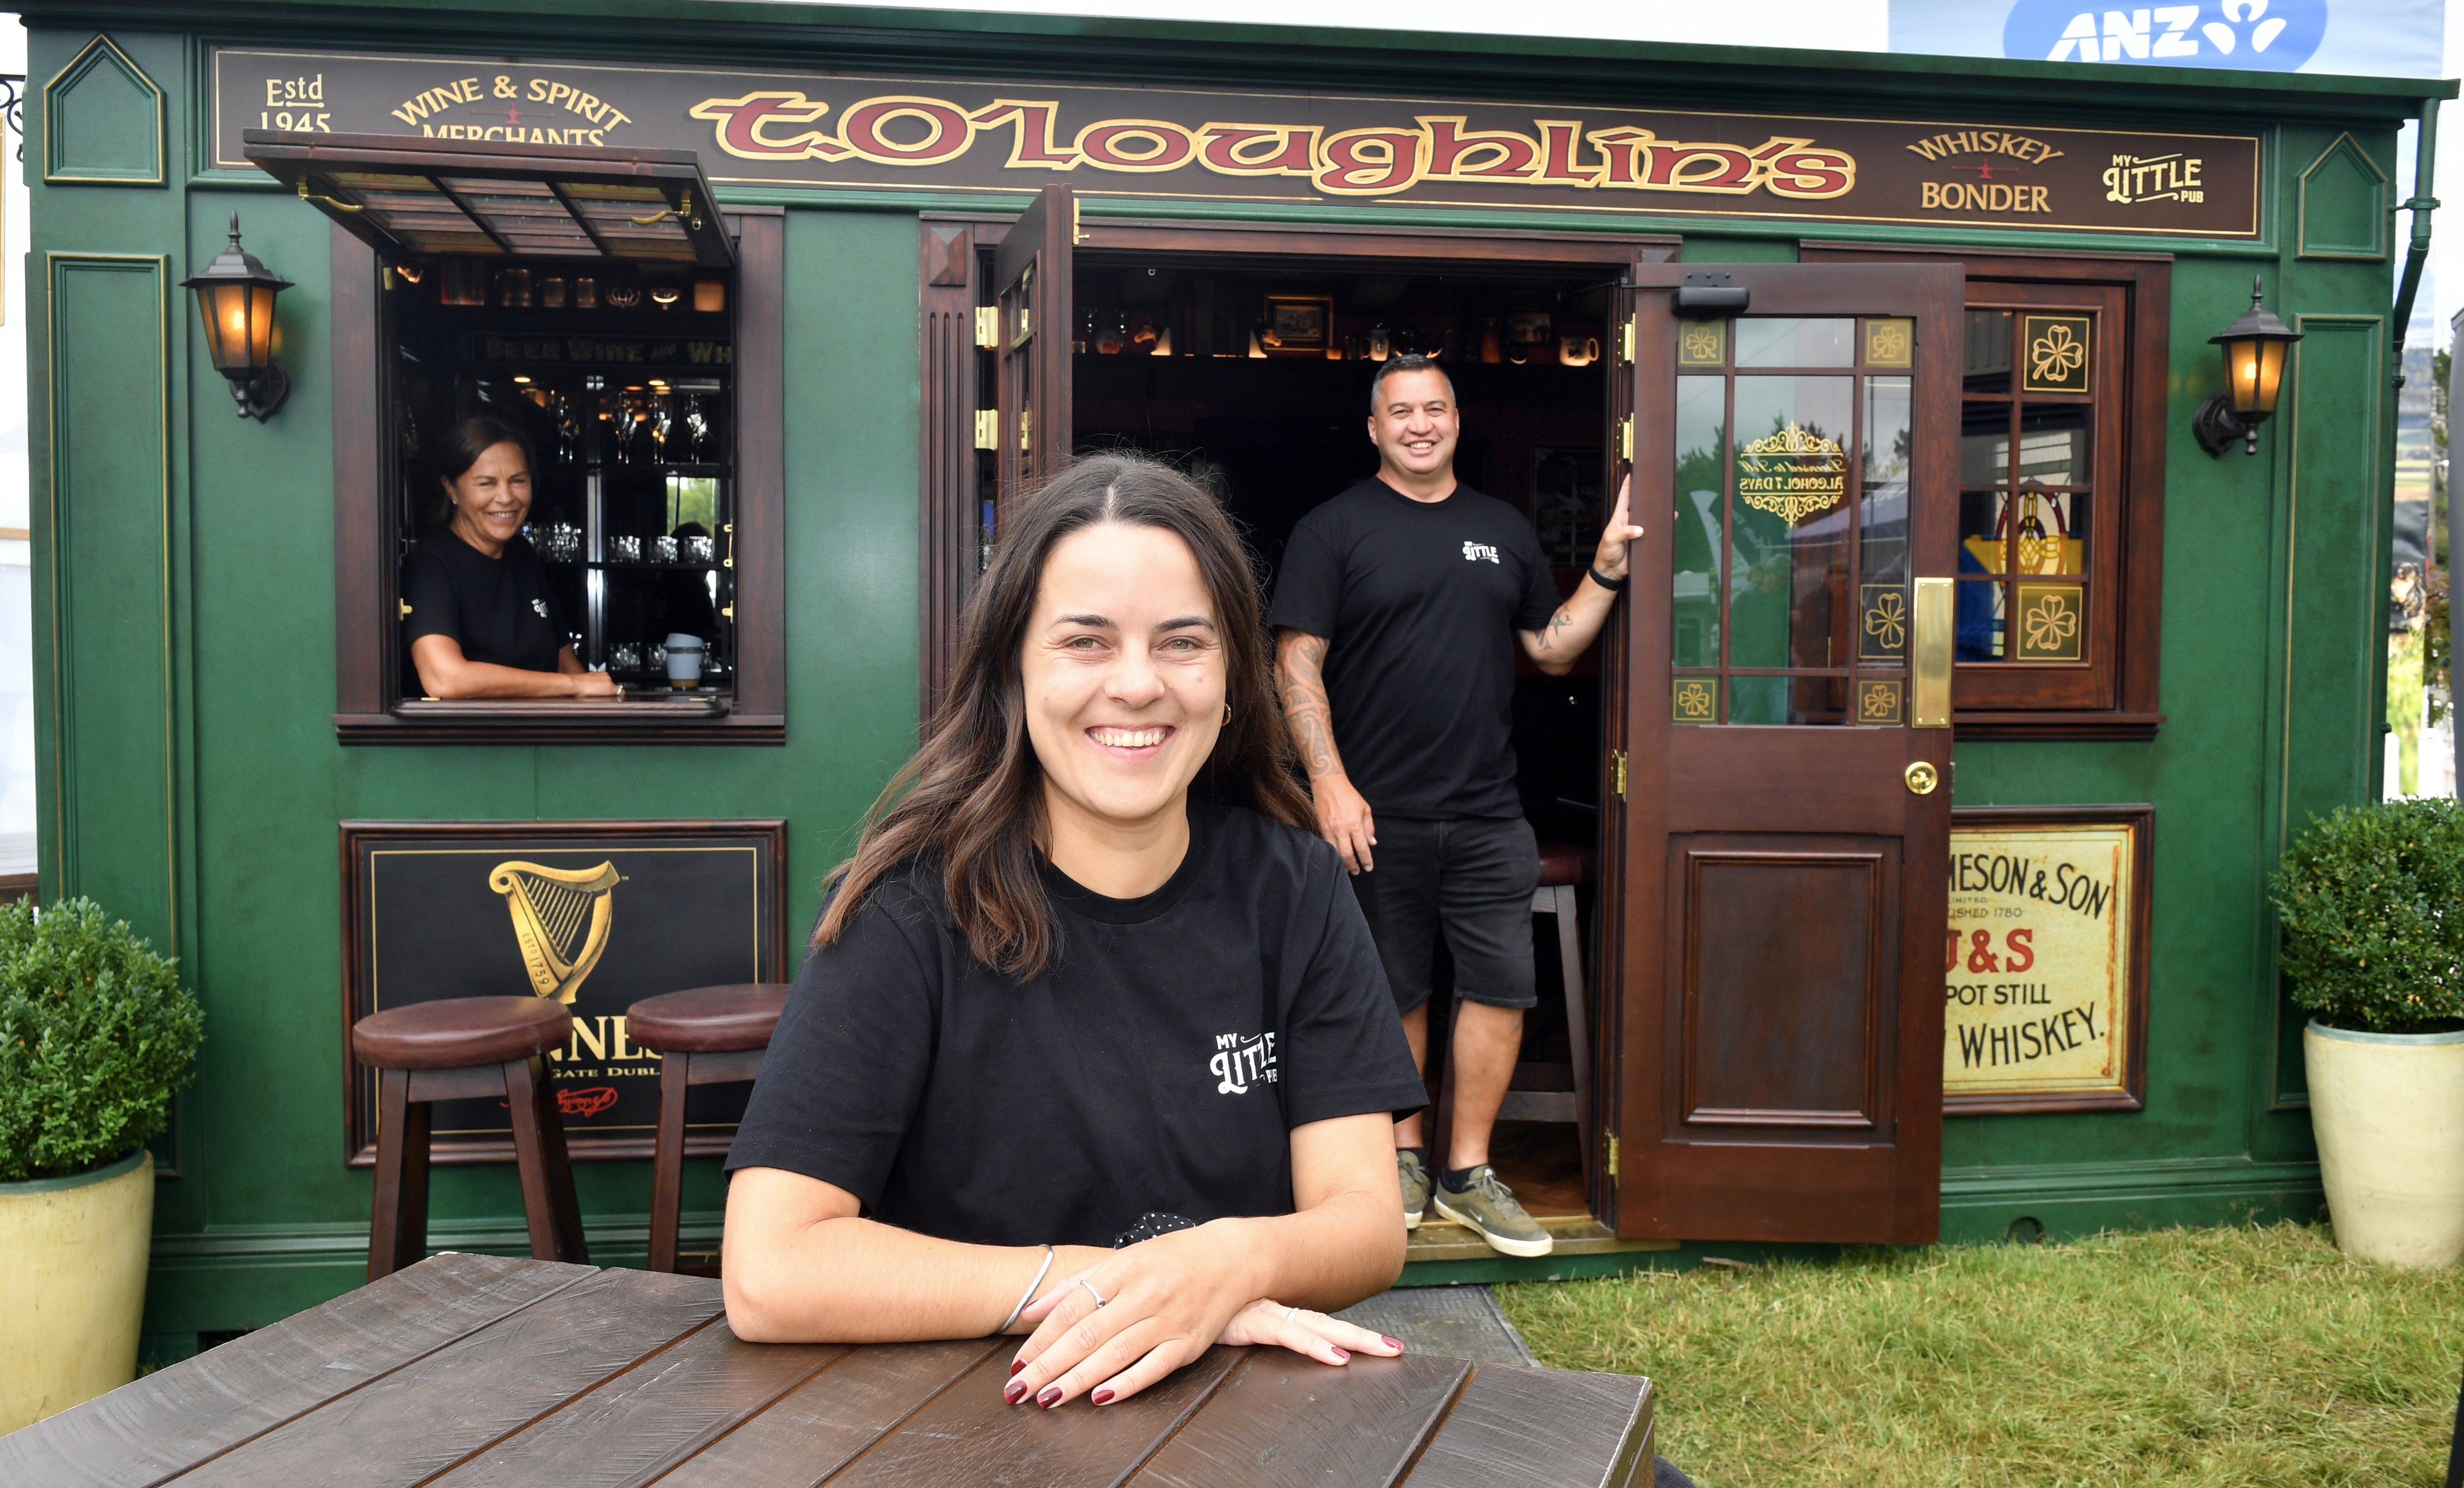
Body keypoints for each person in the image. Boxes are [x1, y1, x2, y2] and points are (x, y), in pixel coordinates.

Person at [719, 452, 1429, 1411]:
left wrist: (1224, 1263)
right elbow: (770, 1270)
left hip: (1241, 1424)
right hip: (969, 1421)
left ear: (1231, 681)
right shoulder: (906, 907)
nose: (1137, 685)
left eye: (1183, 642)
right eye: (1085, 642)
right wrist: (1133, 1292)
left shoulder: (1294, 883)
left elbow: (1367, 1224)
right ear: (1013, 668)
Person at [1270, 354, 1644, 1258]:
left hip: (1485, 808)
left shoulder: (1501, 528)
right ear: (1375, 429)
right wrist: (1328, 780)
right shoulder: (1334, 530)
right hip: (1376, 811)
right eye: (1400, 411)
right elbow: (1295, 663)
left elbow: (1552, 650)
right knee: (1392, 983)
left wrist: (1602, 570)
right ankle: (1402, 1157)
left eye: (1434, 408)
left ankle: (1467, 1174)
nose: (1419, 423)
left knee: (1500, 985)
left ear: (1456, 420)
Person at [400, 415, 618, 701]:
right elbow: (445, 679)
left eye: (518, 481)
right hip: (468, 742)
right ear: (451, 489)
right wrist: (575, 686)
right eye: (486, 483)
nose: (506, 498)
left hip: (541, 739)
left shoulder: (522, 555)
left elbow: (566, 664)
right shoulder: (430, 565)